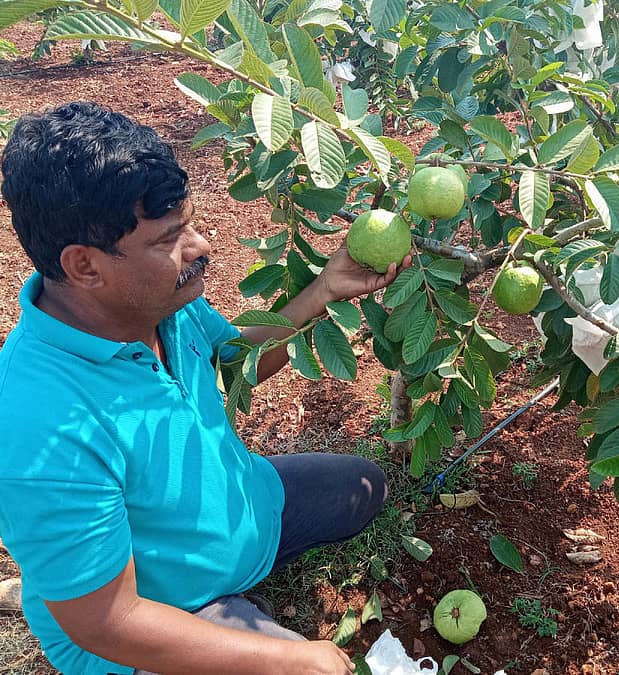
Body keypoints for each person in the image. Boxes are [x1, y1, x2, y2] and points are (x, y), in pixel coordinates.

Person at [0, 101, 411, 675]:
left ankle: (88, 569)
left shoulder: (157, 301)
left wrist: (322, 290)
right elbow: (109, 624)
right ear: (85, 266)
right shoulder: (37, 426)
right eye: (170, 237)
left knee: (366, 486)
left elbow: (231, 363)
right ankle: (73, 580)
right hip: (150, 618)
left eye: (190, 222)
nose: (200, 246)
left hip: (242, 511)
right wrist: (290, 661)